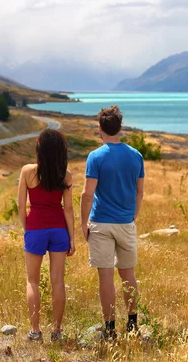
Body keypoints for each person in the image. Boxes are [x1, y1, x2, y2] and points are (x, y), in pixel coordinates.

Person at [80, 105, 145, 340]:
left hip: (100, 223)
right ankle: (132, 325)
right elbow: (140, 193)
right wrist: (133, 216)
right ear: (120, 127)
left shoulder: (95, 156)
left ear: (100, 128)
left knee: (105, 277)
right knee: (128, 275)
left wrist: (82, 223)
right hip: (125, 223)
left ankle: (109, 330)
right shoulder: (136, 155)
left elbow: (88, 194)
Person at [18, 129, 76, 342]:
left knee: (32, 281)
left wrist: (28, 229)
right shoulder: (66, 175)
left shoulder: (27, 172)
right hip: (59, 230)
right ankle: (57, 331)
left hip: (36, 229)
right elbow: (68, 210)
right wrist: (72, 238)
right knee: (58, 281)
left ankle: (35, 331)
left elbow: (20, 206)